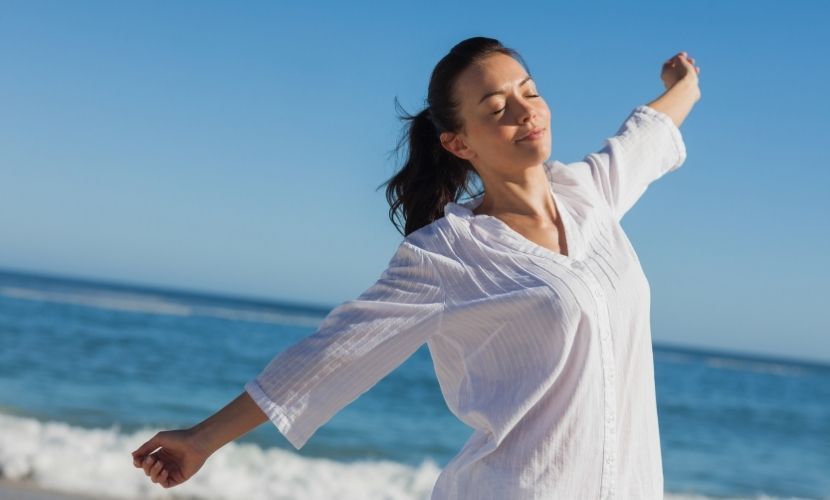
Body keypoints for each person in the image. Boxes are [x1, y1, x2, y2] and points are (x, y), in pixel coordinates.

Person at [131, 36, 701, 498]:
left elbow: (648, 134)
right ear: (459, 144)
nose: (526, 112)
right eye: (498, 108)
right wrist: (202, 439)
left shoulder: (589, 194)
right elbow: (333, 353)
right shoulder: (448, 253)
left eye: (529, 91)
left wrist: (683, 86)